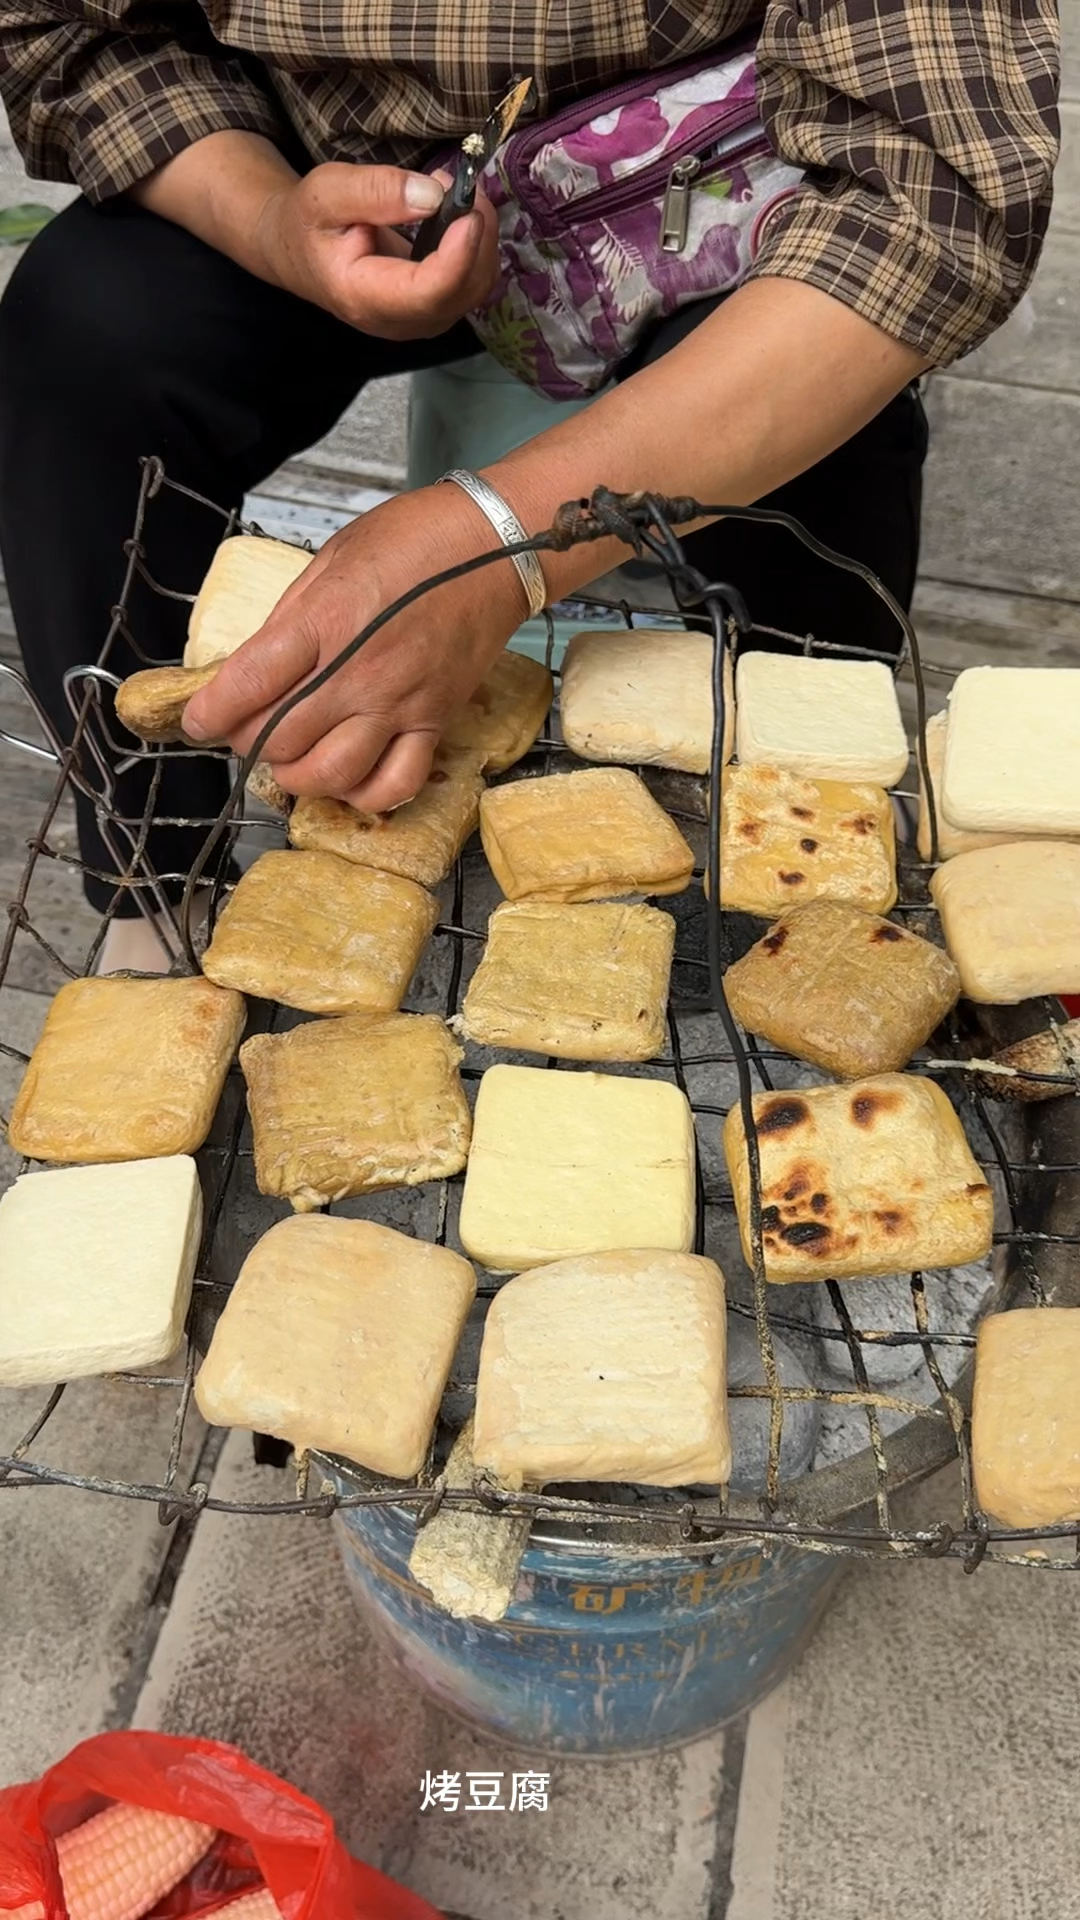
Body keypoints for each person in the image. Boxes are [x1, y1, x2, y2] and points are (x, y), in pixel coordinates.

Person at [0, 0, 1059, 972]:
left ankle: (812, 871)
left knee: (826, 435)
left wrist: (501, 539)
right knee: (82, 333)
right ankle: (157, 878)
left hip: (698, 199)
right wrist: (275, 224)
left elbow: (930, 193)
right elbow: (80, 36)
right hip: (341, 181)